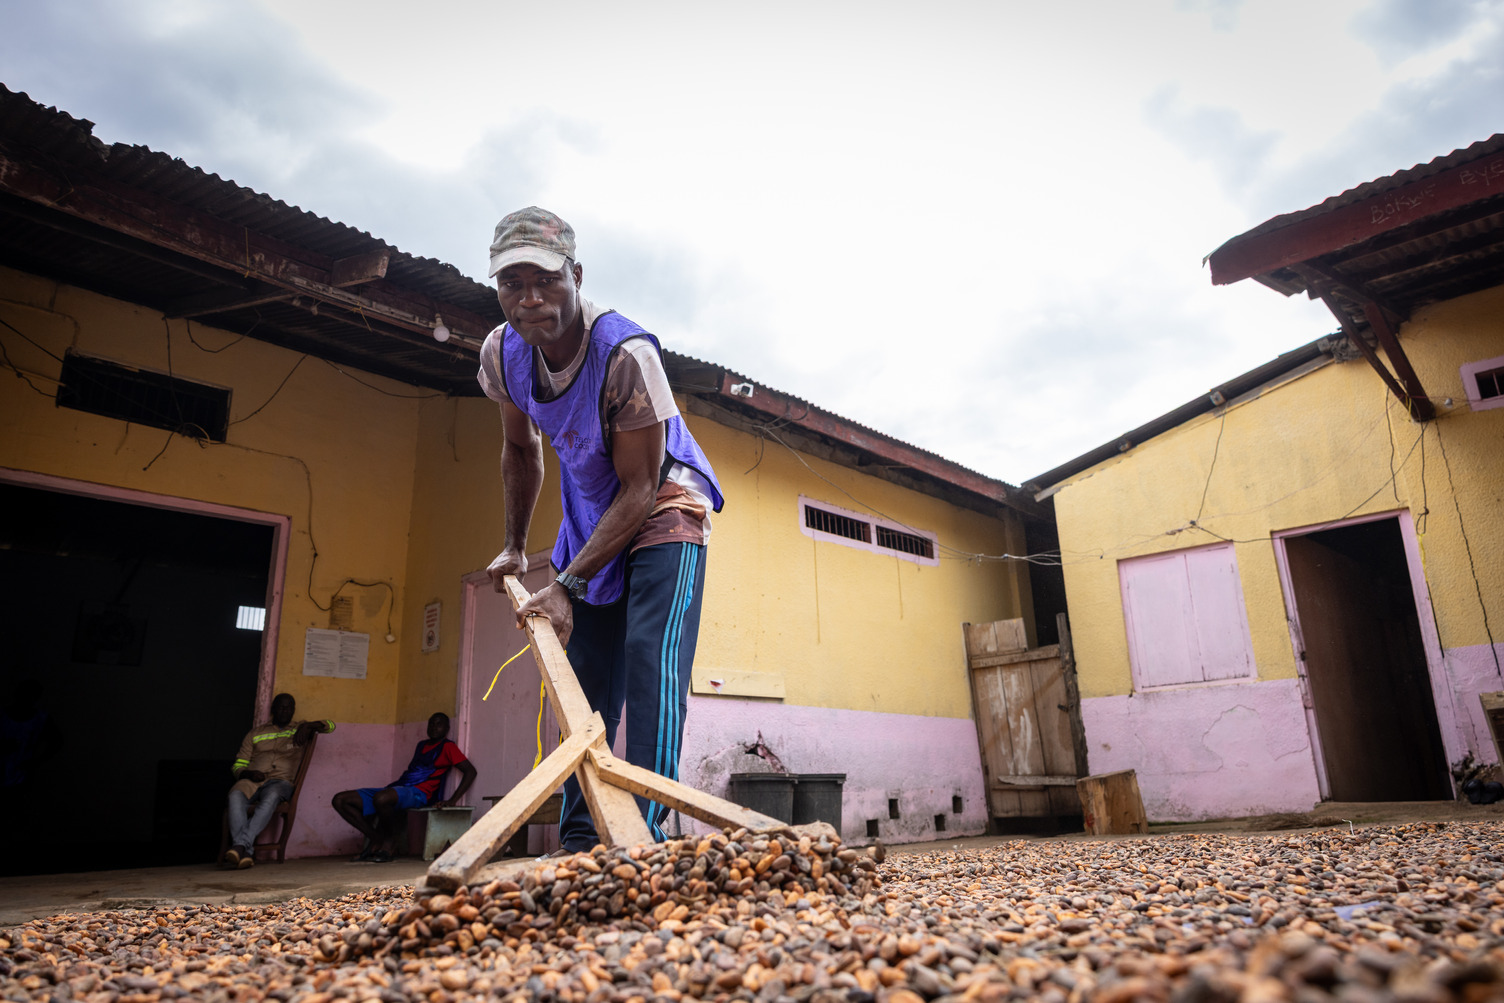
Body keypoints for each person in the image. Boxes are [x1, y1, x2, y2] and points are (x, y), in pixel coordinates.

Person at [477, 206, 724, 853]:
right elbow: (521, 450)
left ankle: (643, 837)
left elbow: (641, 487)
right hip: (592, 515)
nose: (529, 300)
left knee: (648, 665)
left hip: (664, 505)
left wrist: (567, 580)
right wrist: (513, 544)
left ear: (576, 276)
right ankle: (584, 840)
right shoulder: (503, 354)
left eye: (546, 281)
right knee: (583, 681)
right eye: (512, 285)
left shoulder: (625, 354)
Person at [332, 712, 476, 862]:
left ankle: (389, 842)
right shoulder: (421, 745)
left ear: (447, 728)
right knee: (340, 800)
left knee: (382, 798)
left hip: (421, 794)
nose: (434, 727)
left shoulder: (448, 747)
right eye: (431, 723)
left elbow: (470, 771)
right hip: (400, 788)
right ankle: (376, 838)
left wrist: (452, 800)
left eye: (439, 724)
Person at [225, 693, 333, 868]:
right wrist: (249, 774)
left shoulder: (299, 729)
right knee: (235, 795)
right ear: (273, 709)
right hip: (252, 780)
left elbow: (330, 726)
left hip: (280, 782)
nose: (285, 710)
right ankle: (245, 852)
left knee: (272, 796)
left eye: (289, 707)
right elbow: (238, 765)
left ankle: (239, 845)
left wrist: (308, 726)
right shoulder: (256, 733)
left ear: (294, 710)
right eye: (281, 707)